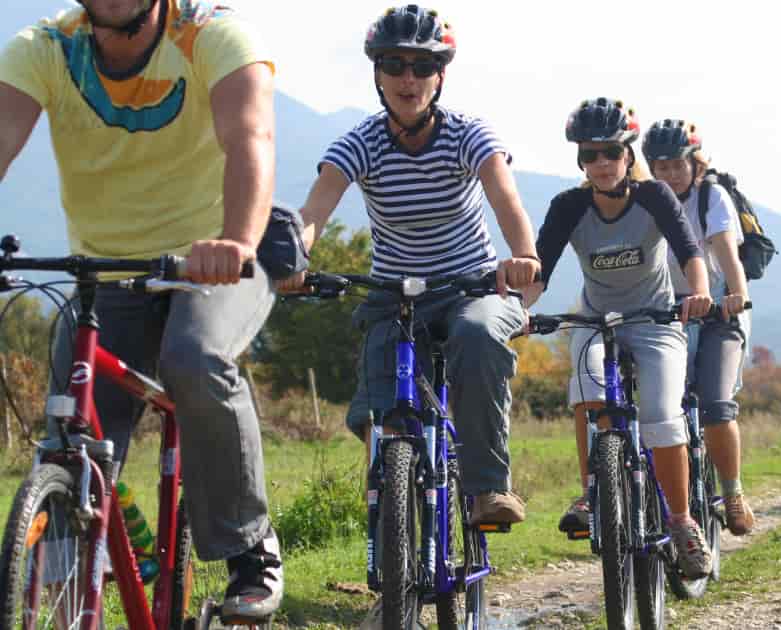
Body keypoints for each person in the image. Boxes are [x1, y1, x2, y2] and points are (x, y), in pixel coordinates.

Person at [0, 0, 281, 620]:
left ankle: (248, 546)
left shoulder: (211, 32)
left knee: (195, 355)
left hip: (212, 264)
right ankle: (75, 577)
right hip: (108, 274)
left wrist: (235, 241)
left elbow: (249, 138)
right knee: (72, 422)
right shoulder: (46, 46)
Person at [279, 5, 539, 526]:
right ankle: (395, 562)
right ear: (377, 73)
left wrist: (524, 255)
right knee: (377, 419)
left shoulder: (469, 134)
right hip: (394, 296)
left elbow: (506, 198)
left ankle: (488, 488)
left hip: (473, 287)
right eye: (394, 64)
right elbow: (314, 211)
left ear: (440, 76)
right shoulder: (360, 143)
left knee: (478, 334)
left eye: (422, 66)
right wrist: (296, 257)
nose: (408, 78)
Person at [525, 97, 714, 578]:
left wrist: (701, 291)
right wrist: (517, 311)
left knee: (660, 416)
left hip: (655, 320)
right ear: (580, 161)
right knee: (586, 392)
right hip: (594, 321)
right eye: (590, 155)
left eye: (611, 153)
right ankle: (592, 494)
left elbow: (689, 251)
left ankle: (682, 522)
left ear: (628, 155)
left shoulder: (653, 196)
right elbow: (540, 270)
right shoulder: (569, 206)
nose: (601, 164)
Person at [642, 119, 756, 535]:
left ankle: (732, 492)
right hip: (666, 313)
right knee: (660, 407)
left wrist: (735, 296)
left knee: (715, 404)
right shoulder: (646, 200)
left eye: (677, 165)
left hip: (718, 314)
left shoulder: (713, 197)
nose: (670, 174)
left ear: (694, 164)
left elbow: (728, 254)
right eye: (661, 166)